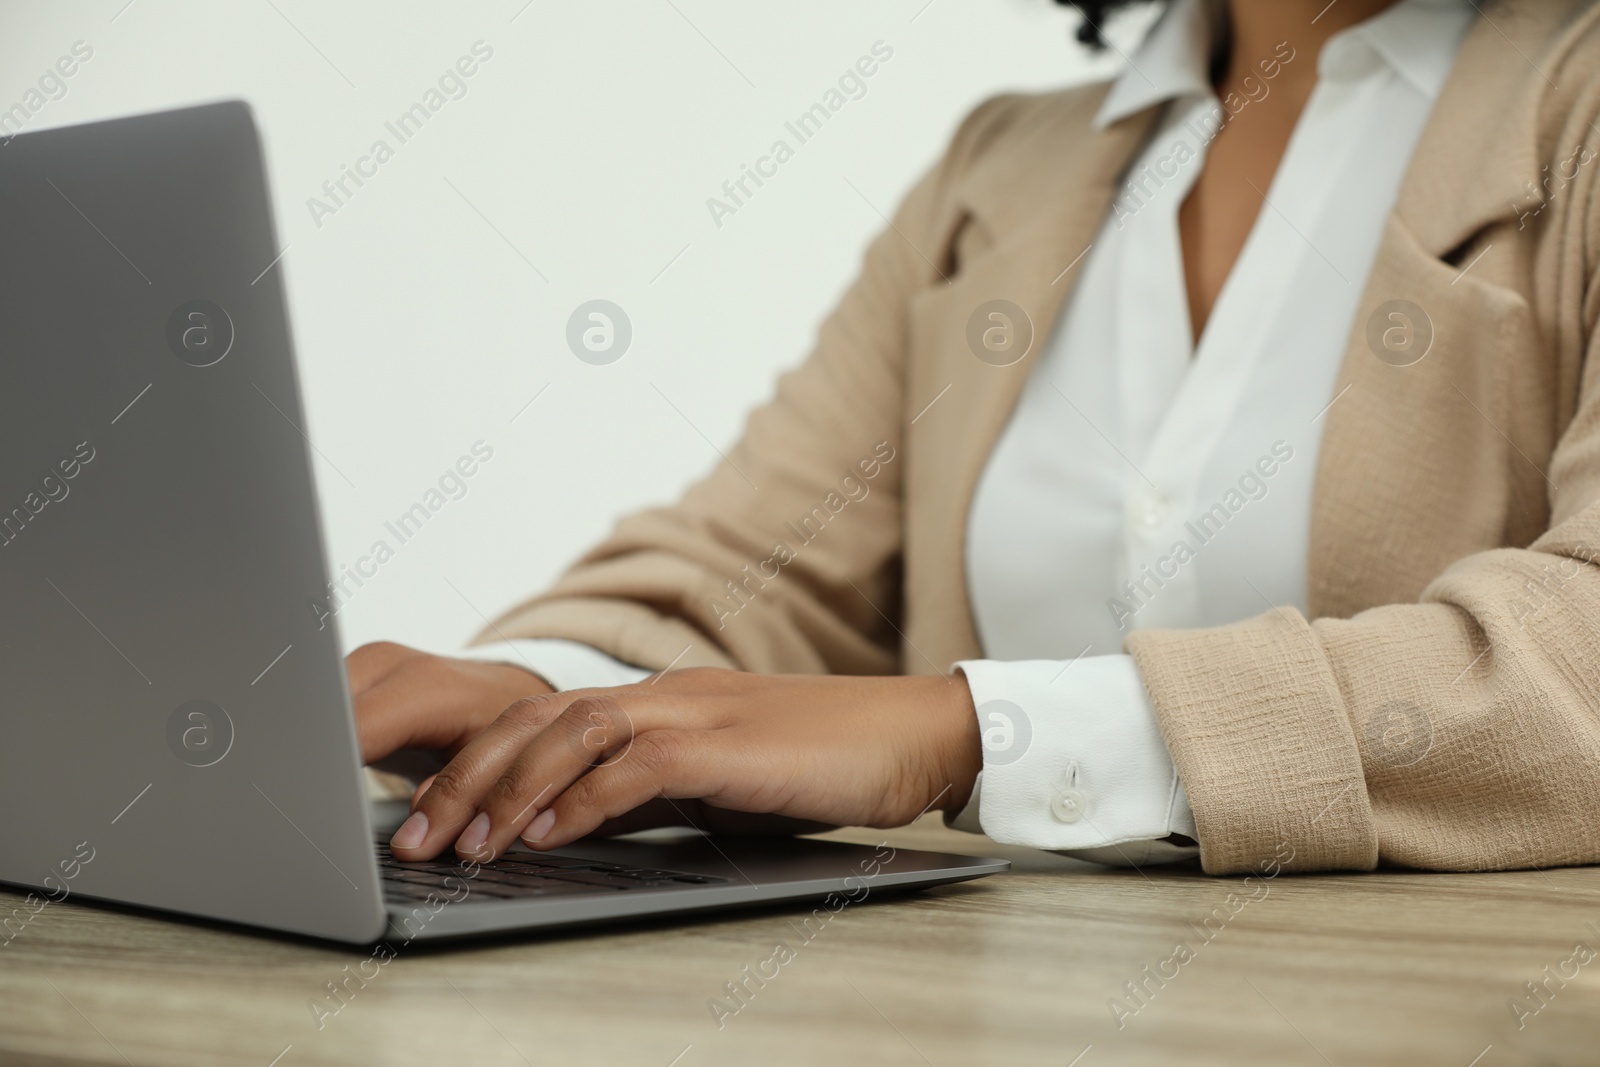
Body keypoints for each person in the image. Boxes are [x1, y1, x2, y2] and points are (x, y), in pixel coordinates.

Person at [348, 0, 1600, 875]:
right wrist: (547, 699)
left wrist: (967, 730)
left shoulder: (1572, 108)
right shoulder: (1005, 166)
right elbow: (757, 566)